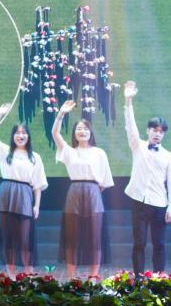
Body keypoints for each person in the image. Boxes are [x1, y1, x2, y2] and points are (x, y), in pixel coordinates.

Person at [52, 99, 114, 279]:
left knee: (95, 237)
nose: (82, 131)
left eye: (86, 128)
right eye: (79, 129)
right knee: (72, 237)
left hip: (94, 192)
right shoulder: (69, 151)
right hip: (74, 192)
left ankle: (93, 277)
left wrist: (92, 191)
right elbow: (55, 133)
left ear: (90, 132)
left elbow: (104, 182)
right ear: (75, 133)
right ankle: (72, 278)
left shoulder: (99, 153)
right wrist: (61, 114)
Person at [0, 103, 47, 277]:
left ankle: (29, 276)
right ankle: (11, 278)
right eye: (17, 133)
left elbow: (38, 184)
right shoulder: (5, 151)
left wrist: (37, 206)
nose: (20, 135)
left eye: (23, 133)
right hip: (5, 195)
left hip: (25, 196)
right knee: (8, 240)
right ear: (13, 136)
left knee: (25, 240)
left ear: (28, 136)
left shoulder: (35, 157)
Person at [122, 81, 171, 276]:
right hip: (139, 201)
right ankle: (139, 279)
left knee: (159, 244)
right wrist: (128, 101)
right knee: (139, 243)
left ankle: (158, 279)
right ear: (148, 131)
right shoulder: (138, 146)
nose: (157, 134)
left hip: (159, 204)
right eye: (154, 130)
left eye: (161, 131)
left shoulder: (169, 156)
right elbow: (130, 126)